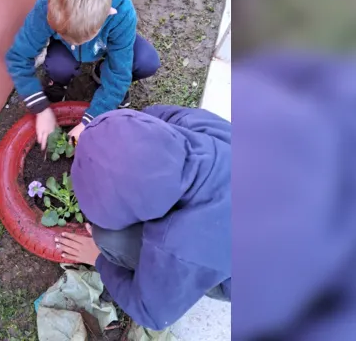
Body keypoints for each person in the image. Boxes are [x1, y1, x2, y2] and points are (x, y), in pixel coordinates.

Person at [56, 106, 231, 330]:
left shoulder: (177, 246)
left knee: (109, 239)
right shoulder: (191, 123)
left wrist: (100, 260)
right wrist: (97, 136)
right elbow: (145, 119)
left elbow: (153, 314)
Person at [5, 0, 161, 149]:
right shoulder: (49, 4)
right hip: (65, 51)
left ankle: (101, 72)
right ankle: (57, 83)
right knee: (59, 66)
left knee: (146, 61)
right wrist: (41, 109)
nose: (75, 42)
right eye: (65, 34)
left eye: (82, 38)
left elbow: (120, 74)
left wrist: (89, 121)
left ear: (108, 13)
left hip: (106, 46)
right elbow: (18, 57)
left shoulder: (122, 14)